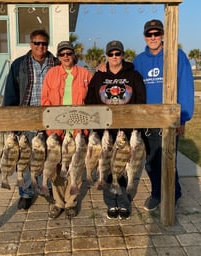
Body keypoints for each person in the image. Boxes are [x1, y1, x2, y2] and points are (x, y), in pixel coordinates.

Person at [133, 19, 194, 211]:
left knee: (168, 160)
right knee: (150, 162)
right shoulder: (138, 60)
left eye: (156, 34)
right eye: (149, 34)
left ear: (162, 35)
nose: (153, 37)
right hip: (147, 120)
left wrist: (182, 118)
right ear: (145, 36)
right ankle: (157, 193)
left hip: (168, 119)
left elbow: (185, 87)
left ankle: (173, 194)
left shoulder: (177, 55)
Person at [85, 40, 147, 220]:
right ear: (106, 56)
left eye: (117, 53)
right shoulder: (98, 76)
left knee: (123, 167)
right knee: (106, 167)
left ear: (122, 55)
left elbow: (141, 100)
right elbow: (90, 101)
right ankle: (111, 203)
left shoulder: (134, 75)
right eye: (111, 54)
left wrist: (137, 126)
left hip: (126, 132)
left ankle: (125, 202)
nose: (114, 57)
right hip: (105, 132)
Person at [3, 29, 59, 210]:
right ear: (30, 44)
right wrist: (11, 120)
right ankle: (26, 193)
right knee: (25, 157)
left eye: (43, 43)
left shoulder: (56, 63)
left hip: (50, 118)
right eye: (37, 43)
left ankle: (46, 188)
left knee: (49, 157)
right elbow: (11, 93)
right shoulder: (19, 65)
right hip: (26, 118)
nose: (40, 47)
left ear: (47, 45)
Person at [41, 41, 92, 219]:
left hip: (78, 129)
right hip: (57, 130)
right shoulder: (51, 74)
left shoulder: (85, 74)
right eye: (62, 54)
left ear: (73, 55)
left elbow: (92, 100)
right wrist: (53, 125)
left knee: (75, 166)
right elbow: (45, 100)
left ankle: (71, 203)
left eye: (68, 53)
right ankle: (58, 202)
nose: (66, 57)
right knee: (56, 166)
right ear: (58, 57)